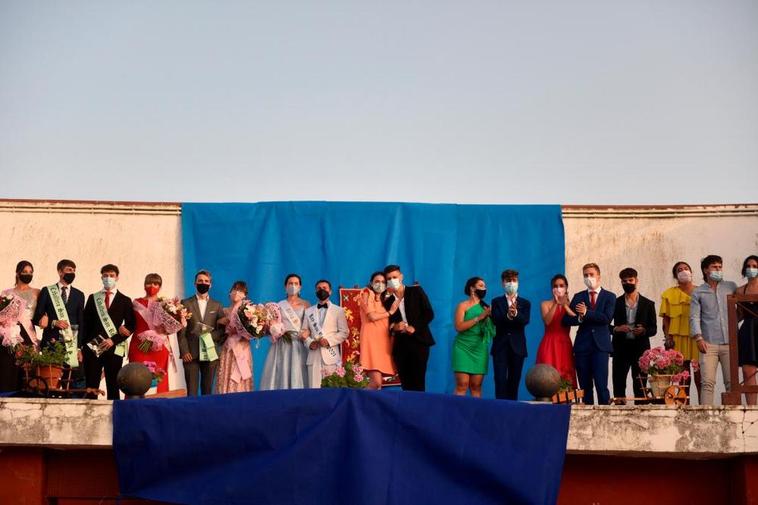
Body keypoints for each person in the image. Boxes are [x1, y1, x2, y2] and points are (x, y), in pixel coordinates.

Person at [563, 263, 616, 405]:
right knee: (585, 387)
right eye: (585, 275)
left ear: (599, 276)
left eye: (591, 274)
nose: (588, 277)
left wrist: (586, 313)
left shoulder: (609, 296)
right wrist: (579, 318)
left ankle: (606, 417)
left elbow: (606, 318)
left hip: (601, 347)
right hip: (582, 346)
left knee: (601, 385)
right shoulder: (579, 296)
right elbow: (567, 320)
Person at [82, 264, 136, 400]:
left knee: (113, 385)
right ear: (101, 277)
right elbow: (85, 324)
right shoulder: (93, 298)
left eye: (111, 275)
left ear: (117, 277)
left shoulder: (125, 300)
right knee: (91, 385)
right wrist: (83, 347)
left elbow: (131, 325)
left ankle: (114, 416)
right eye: (105, 275)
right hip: (94, 346)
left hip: (114, 346)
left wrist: (114, 339)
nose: (108, 278)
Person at [690, 255, 738, 406]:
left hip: (730, 343)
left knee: (731, 383)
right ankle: (706, 417)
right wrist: (698, 338)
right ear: (706, 270)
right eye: (714, 267)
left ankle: (734, 417)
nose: (718, 269)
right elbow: (694, 317)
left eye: (720, 267)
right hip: (708, 343)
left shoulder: (731, 287)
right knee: (707, 383)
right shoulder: (698, 292)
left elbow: (741, 309)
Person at [383, 265, 435, 391]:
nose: (392, 280)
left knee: (418, 380)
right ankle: (407, 409)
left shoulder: (416, 291)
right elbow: (385, 323)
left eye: (395, 277)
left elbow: (429, 313)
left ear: (401, 277)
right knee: (405, 383)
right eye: (389, 278)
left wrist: (414, 327)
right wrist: (394, 327)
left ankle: (420, 409)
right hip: (401, 345)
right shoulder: (386, 300)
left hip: (419, 341)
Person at [611, 268, 657, 403]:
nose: (627, 283)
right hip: (620, 348)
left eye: (630, 280)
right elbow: (605, 325)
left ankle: (641, 409)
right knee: (619, 382)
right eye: (624, 281)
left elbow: (653, 329)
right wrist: (617, 329)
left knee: (640, 383)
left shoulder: (648, 304)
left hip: (640, 349)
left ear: (637, 281)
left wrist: (643, 331)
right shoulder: (615, 302)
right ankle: (619, 411)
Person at [178, 270, 226, 396]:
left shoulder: (218, 305)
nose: (203, 283)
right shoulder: (185, 303)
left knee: (207, 391)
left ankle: (206, 415)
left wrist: (209, 336)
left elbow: (222, 330)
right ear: (194, 283)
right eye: (200, 281)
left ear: (210, 285)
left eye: (206, 281)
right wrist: (184, 351)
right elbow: (181, 330)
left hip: (210, 353)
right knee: (192, 392)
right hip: (190, 354)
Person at [260, 274, 310, 390]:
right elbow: (272, 325)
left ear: (300, 287)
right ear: (285, 286)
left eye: (296, 283)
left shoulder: (306, 304)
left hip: (299, 344)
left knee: (298, 372)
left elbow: (309, 326)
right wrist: (272, 328)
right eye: (290, 283)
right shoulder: (279, 305)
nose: (293, 286)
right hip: (282, 343)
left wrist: (306, 333)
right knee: (280, 372)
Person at [660, 261, 701, 401]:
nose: (683, 271)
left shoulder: (701, 291)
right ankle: (685, 403)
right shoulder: (669, 294)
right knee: (683, 376)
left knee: (700, 374)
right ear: (675, 275)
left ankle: (703, 404)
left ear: (691, 272)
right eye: (680, 270)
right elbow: (666, 319)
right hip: (678, 337)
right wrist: (667, 337)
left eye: (686, 268)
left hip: (698, 337)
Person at [33, 259, 85, 367]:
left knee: (69, 381)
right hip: (51, 342)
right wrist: (53, 322)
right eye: (69, 270)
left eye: (74, 271)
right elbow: (37, 316)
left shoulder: (79, 295)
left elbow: (81, 322)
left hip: (71, 344)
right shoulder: (47, 291)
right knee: (51, 378)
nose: (72, 273)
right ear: (60, 272)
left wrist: (79, 347)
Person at [127, 273, 173, 394]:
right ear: (144, 285)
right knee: (136, 378)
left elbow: (172, 326)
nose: (152, 286)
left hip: (160, 347)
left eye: (156, 283)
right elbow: (130, 323)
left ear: (160, 286)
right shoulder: (136, 303)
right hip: (139, 346)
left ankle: (160, 408)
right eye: (149, 283)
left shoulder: (167, 304)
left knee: (159, 379)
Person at [491, 269, 531, 400]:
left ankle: (512, 412)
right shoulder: (496, 301)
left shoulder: (525, 303)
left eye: (514, 280)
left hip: (518, 348)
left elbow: (525, 321)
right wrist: (508, 315)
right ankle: (499, 411)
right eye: (508, 281)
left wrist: (516, 314)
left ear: (518, 282)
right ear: (503, 283)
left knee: (514, 381)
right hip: (500, 347)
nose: (511, 283)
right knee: (500, 380)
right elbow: (496, 320)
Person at [452, 277, 495, 397]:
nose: (484, 288)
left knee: (476, 386)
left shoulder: (486, 308)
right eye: (481, 286)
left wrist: (490, 318)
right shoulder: (462, 306)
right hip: (462, 347)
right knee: (462, 384)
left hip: (480, 348)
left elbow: (491, 331)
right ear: (472, 288)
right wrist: (480, 317)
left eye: (485, 286)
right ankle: (455, 415)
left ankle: (475, 415)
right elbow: (459, 327)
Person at [0, 261, 39, 392]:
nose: (28, 275)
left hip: (28, 333)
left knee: (27, 368)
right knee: (9, 366)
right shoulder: (6, 293)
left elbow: (42, 314)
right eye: (25, 272)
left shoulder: (37, 293)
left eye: (30, 272)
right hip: (10, 334)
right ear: (17, 273)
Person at [302, 279, 348, 388]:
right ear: (315, 292)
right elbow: (303, 332)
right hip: (314, 357)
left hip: (331, 357)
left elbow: (344, 332)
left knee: (332, 391)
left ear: (330, 291)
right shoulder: (308, 311)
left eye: (324, 288)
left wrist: (329, 341)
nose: (321, 290)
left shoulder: (339, 310)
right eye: (319, 288)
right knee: (314, 391)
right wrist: (309, 343)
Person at [536, 274, 577, 389]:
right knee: (547, 378)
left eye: (561, 285)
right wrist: (556, 304)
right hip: (549, 343)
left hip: (564, 344)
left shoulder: (570, 305)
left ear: (566, 288)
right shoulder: (545, 304)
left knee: (566, 377)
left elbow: (575, 318)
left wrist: (564, 305)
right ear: (552, 288)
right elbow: (547, 321)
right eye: (555, 286)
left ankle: (565, 405)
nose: (558, 288)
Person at [358, 272, 398, 390]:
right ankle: (356, 402)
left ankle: (371, 408)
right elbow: (372, 317)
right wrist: (390, 312)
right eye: (377, 281)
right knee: (376, 383)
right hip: (371, 339)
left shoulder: (385, 299)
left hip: (384, 340)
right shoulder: (366, 292)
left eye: (383, 282)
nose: (380, 284)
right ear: (371, 283)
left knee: (379, 384)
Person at [216, 281, 254, 394]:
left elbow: (253, 329)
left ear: (244, 294)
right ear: (230, 292)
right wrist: (222, 321)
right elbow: (218, 327)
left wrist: (241, 331)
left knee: (240, 376)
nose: (236, 292)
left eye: (240, 290)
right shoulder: (225, 311)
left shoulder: (248, 310)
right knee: (226, 374)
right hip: (228, 348)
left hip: (242, 347)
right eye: (234, 289)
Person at [737, 255, 758, 405]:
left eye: (755, 266)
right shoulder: (740, 290)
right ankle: (752, 408)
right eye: (749, 266)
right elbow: (738, 315)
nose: (751, 269)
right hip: (748, 330)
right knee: (747, 370)